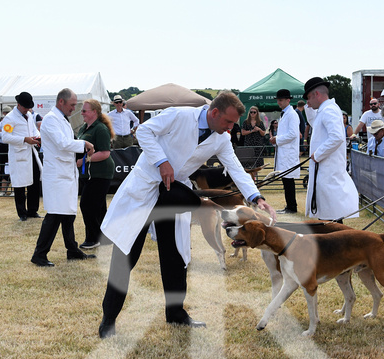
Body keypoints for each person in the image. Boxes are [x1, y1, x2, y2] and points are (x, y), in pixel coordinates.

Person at [98, 91, 276, 338]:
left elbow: (235, 168)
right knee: (126, 255)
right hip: (145, 189)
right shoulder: (179, 115)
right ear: (214, 113)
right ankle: (109, 319)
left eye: (233, 124)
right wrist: (162, 161)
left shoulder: (221, 138)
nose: (231, 128)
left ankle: (176, 313)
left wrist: (257, 198)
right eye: (228, 122)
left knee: (175, 257)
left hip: (172, 194)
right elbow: (144, 131)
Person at [30, 88, 95, 267]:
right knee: (55, 215)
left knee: (68, 215)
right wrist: (84, 143)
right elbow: (63, 143)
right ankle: (39, 254)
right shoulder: (51, 119)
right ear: (61, 102)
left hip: (66, 173)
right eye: (72, 105)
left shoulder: (62, 120)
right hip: (58, 174)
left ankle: (72, 250)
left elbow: (66, 142)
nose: (74, 109)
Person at [303, 77, 358, 222]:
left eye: (309, 97)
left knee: (332, 213)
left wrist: (318, 154)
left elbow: (336, 137)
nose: (307, 102)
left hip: (328, 169)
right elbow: (315, 123)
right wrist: (309, 107)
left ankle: (336, 243)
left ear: (317, 94)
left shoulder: (329, 110)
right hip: (324, 168)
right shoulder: (324, 110)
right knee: (327, 210)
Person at [76, 99, 115, 249]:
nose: (82, 113)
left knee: (87, 205)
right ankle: (105, 237)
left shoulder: (100, 129)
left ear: (94, 112)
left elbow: (105, 153)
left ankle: (93, 238)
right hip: (89, 174)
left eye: (84, 110)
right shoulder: (84, 128)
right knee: (98, 206)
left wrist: (85, 160)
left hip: (100, 173)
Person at [1, 92, 43, 221]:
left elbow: (34, 129)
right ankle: (22, 213)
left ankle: (33, 210)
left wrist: (37, 136)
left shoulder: (30, 115)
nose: (27, 110)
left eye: (29, 107)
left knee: (35, 182)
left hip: (31, 152)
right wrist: (24, 139)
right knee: (20, 185)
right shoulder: (9, 118)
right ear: (18, 105)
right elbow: (5, 137)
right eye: (25, 107)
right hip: (19, 154)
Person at [270, 89, 300, 214]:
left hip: (288, 152)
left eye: (281, 100)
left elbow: (293, 134)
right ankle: (289, 206)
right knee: (286, 179)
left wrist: (277, 139)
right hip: (284, 151)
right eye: (278, 100)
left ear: (288, 100)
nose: (279, 102)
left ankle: (292, 207)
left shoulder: (292, 114)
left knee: (288, 180)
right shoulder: (285, 113)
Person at [0, 106, 12, 196]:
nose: (6, 114)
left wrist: (3, 134)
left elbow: (10, 134)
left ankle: (12, 189)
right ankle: (2, 189)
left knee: (10, 167)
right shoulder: (0, 123)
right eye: (5, 112)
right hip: (1, 147)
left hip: (9, 146)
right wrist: (4, 134)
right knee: (1, 169)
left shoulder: (12, 122)